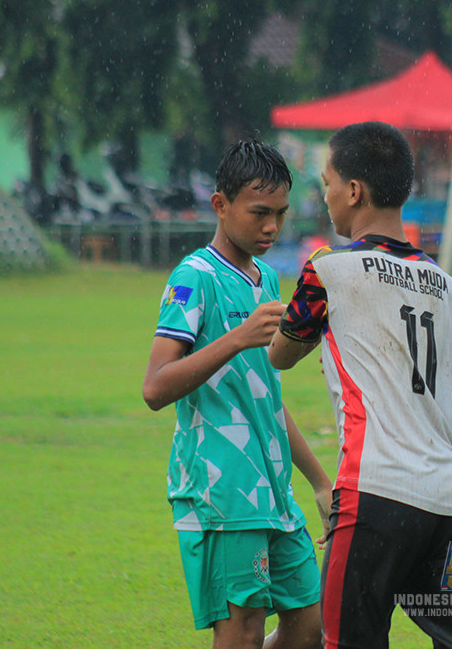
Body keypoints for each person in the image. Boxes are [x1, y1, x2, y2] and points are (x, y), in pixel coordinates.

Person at [267, 121, 452, 649]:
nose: (325, 194)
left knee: (349, 640)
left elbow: (280, 355)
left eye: (327, 182)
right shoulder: (450, 288)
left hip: (374, 496)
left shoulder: (328, 270)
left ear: (353, 191)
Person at [142, 137, 332, 648]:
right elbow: (155, 388)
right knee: (242, 633)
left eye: (281, 213)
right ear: (220, 206)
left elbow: (263, 392)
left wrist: (317, 480)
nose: (272, 226)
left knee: (309, 626)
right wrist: (237, 338)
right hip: (221, 489)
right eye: (259, 213)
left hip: (274, 490)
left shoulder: (266, 277)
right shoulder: (193, 278)